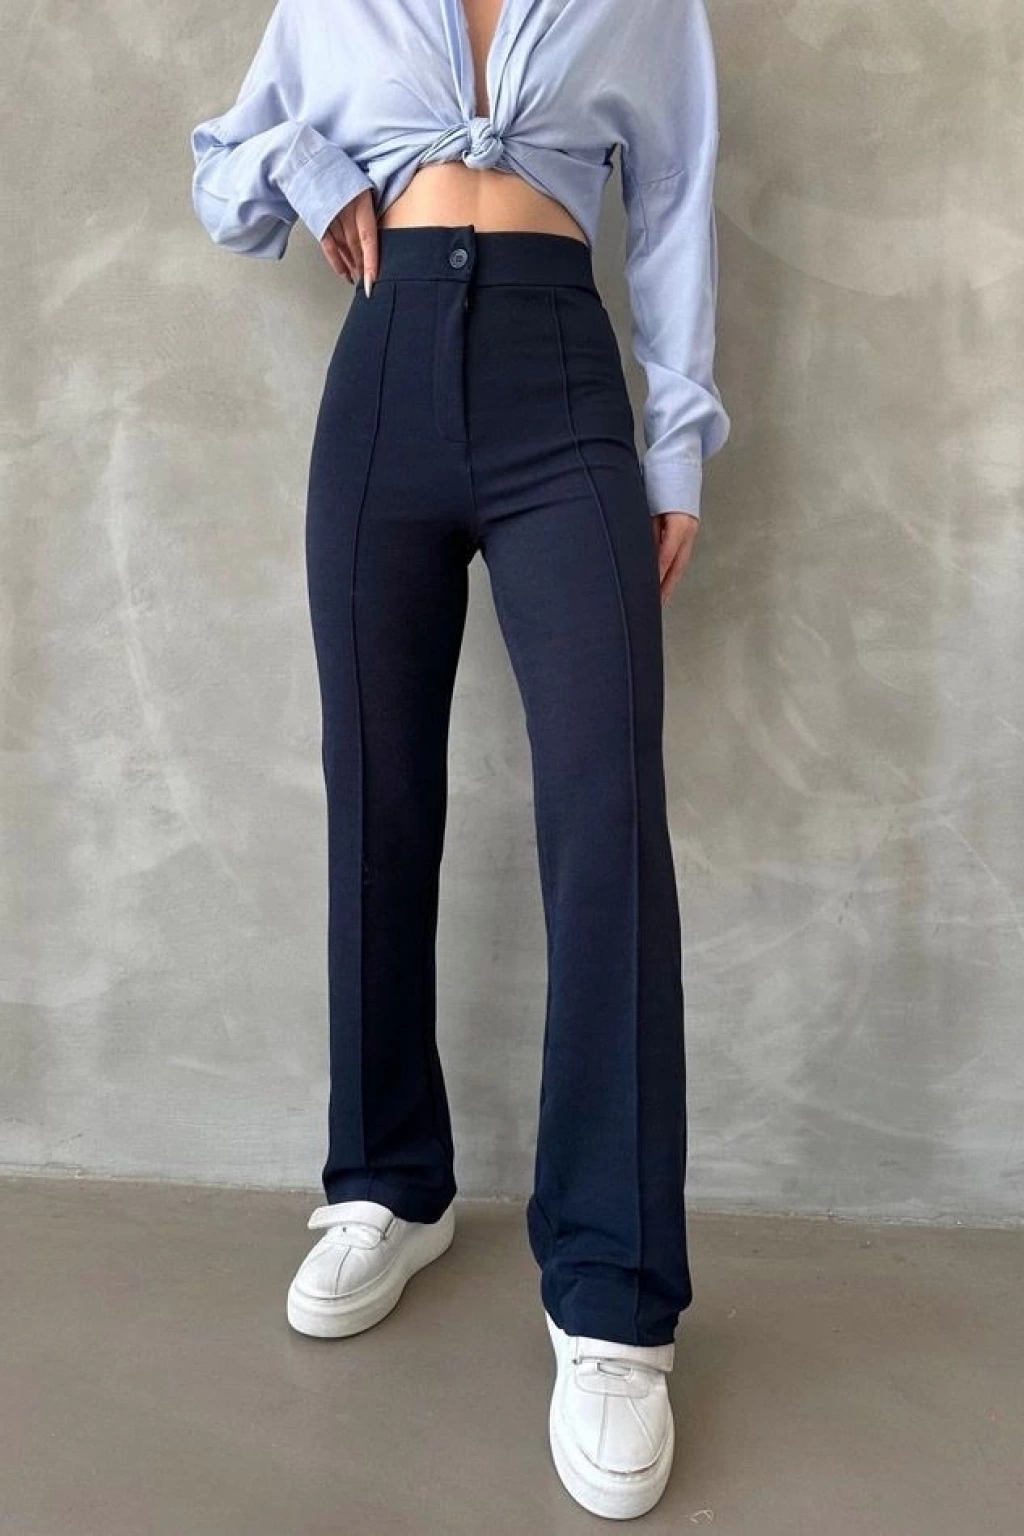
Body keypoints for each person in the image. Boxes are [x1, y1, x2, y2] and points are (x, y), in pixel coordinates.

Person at [190, 0, 730, 1518]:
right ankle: (385, 1181)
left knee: (609, 815)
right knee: (377, 796)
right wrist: (308, 170)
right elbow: (223, 169)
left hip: (563, 386)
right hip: (383, 382)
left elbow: (677, 195)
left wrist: (676, 442)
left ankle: (614, 1293)